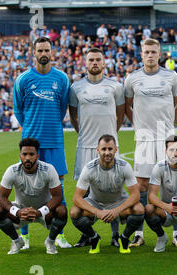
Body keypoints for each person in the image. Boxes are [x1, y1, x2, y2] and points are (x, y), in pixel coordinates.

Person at [124, 38, 177, 247]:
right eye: (146, 52)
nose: (150, 55)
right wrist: (139, 125)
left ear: (160, 54)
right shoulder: (133, 78)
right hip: (144, 140)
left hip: (167, 139)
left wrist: (170, 124)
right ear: (141, 54)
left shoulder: (171, 76)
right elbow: (127, 105)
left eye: (153, 52)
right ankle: (139, 233)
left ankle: (176, 232)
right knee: (141, 185)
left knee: (171, 184)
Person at [13, 37, 72, 250]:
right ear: (34, 52)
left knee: (59, 188)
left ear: (52, 52)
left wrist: (49, 126)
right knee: (27, 188)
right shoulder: (23, 79)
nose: (44, 53)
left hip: (55, 141)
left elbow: (63, 107)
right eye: (40, 50)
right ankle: (25, 236)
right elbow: (18, 110)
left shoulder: (62, 79)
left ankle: (59, 235)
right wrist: (30, 129)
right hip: (31, 144)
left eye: (47, 49)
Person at [69, 47, 125, 248]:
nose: (94, 63)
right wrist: (84, 133)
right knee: (83, 193)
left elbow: (121, 113)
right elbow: (74, 115)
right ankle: (88, 234)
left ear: (104, 63)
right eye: (90, 59)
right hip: (85, 146)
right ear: (85, 63)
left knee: (115, 189)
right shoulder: (75, 88)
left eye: (97, 60)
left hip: (109, 147)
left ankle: (116, 235)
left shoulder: (115, 86)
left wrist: (110, 136)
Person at [70, 134, 144, 254]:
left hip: (119, 202)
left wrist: (117, 210)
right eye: (104, 149)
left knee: (139, 209)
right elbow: (77, 198)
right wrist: (97, 212)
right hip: (96, 203)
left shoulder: (124, 167)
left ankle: (124, 238)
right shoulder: (89, 168)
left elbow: (136, 195)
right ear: (98, 150)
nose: (107, 152)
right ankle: (94, 238)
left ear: (116, 149)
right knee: (74, 212)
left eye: (110, 149)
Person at [0, 138, 68, 255]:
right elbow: (1, 197)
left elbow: (58, 196)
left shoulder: (48, 169)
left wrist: (40, 212)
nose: (27, 158)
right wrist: (17, 211)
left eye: (31, 154)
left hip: (44, 211)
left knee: (62, 210)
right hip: (21, 210)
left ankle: (50, 241)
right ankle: (17, 241)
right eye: (24, 154)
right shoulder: (12, 171)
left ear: (38, 156)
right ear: (20, 155)